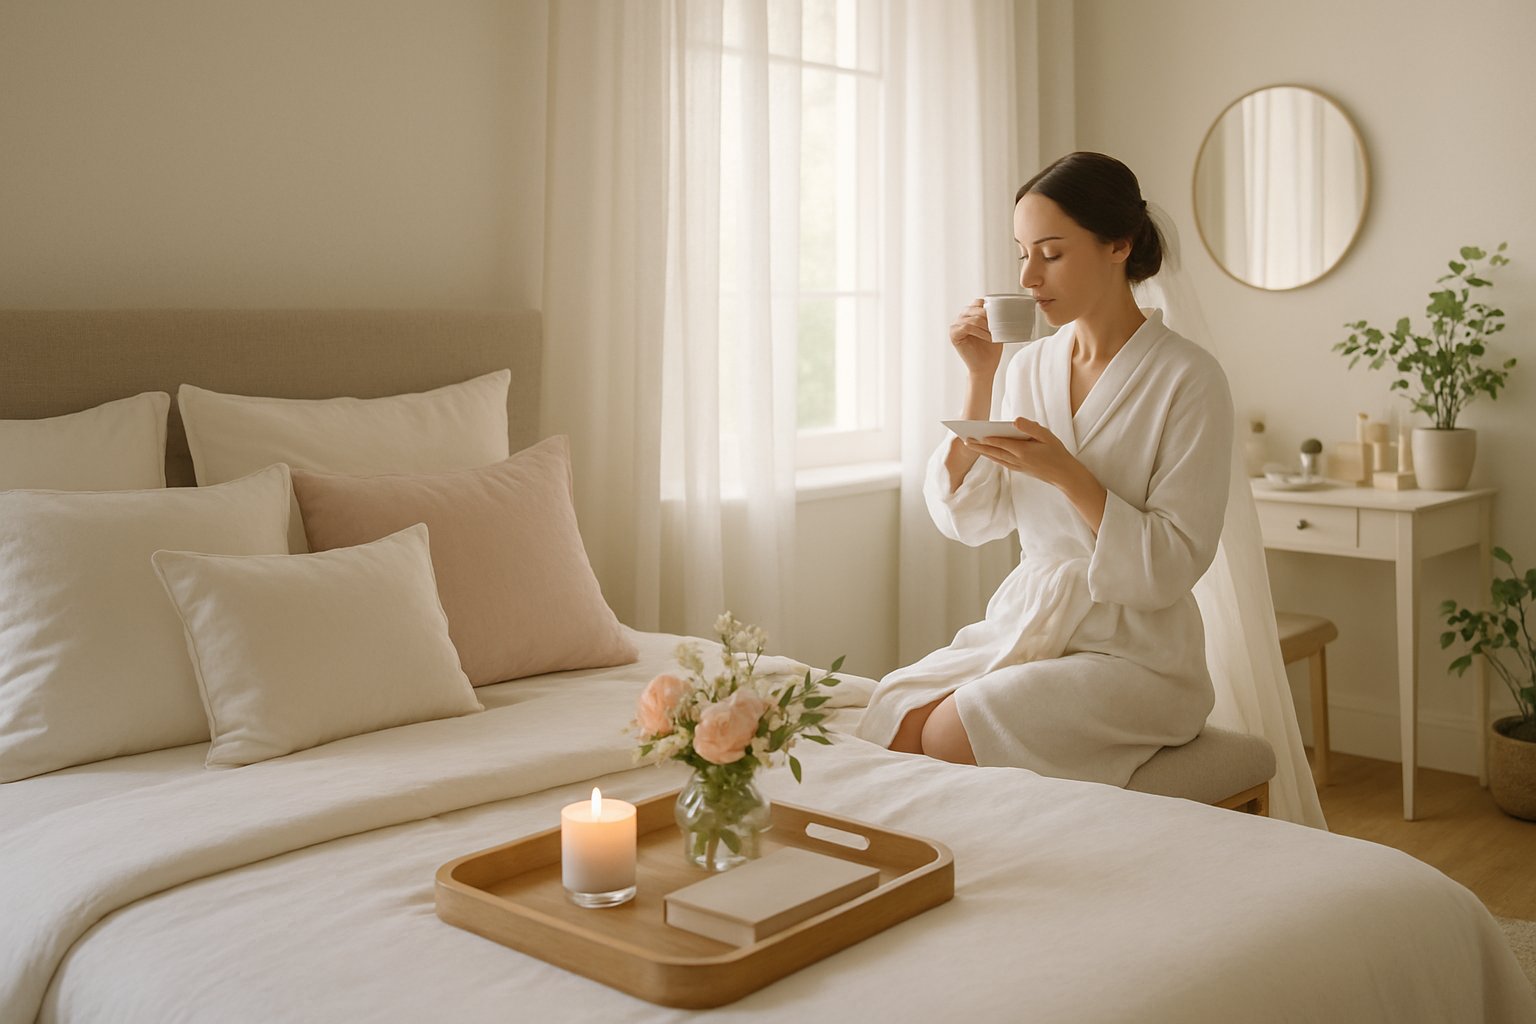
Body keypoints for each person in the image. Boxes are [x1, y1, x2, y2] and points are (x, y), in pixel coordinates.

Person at [855, 151, 1234, 787]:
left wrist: (1068, 474)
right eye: (1022, 254)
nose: (1029, 278)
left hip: (1137, 652)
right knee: (898, 718)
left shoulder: (1188, 378)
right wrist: (981, 377)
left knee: (950, 731)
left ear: (1119, 245)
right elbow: (970, 518)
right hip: (1033, 620)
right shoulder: (1030, 366)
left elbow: (1172, 565)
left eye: (1051, 254)